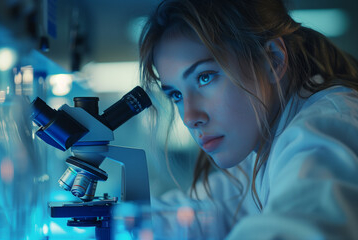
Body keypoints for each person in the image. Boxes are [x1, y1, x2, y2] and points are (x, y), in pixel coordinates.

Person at [138, 0, 358, 239]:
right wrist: (117, 219)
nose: (190, 118)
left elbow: (297, 230)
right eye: (176, 95)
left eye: (205, 77)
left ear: (272, 60)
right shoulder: (262, 150)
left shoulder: (324, 128)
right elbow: (204, 211)